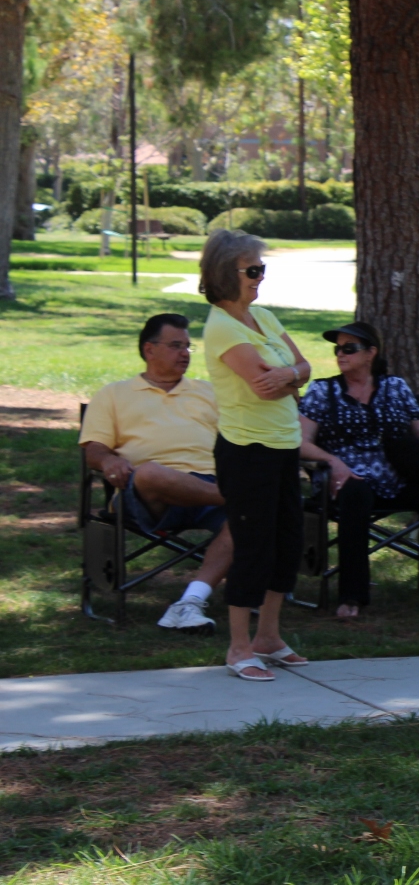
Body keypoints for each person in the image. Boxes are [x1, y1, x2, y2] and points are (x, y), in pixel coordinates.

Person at [298, 321, 419, 618]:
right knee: (355, 494)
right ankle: (352, 596)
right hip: (345, 481)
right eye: (337, 349)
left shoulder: (396, 387)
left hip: (397, 480)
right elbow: (300, 442)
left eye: (349, 348)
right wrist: (334, 462)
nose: (340, 354)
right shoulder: (323, 391)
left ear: (371, 353)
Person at [199, 229, 313, 681]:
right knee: (253, 546)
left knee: (287, 543)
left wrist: (288, 373)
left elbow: (303, 370)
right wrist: (290, 376)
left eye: (261, 269)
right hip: (247, 451)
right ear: (227, 273)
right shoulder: (221, 327)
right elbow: (262, 390)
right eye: (252, 270)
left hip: (285, 446)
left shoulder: (262, 317)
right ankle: (238, 645)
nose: (259, 278)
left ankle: (269, 637)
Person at [79, 313, 232, 633]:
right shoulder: (114, 393)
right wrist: (109, 462)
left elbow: (237, 440)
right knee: (149, 473)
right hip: (147, 495)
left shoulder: (208, 392)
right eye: (176, 346)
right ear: (149, 350)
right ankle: (236, 498)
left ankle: (190, 602)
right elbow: (94, 448)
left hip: (207, 485)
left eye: (188, 347)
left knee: (245, 519)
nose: (184, 354)